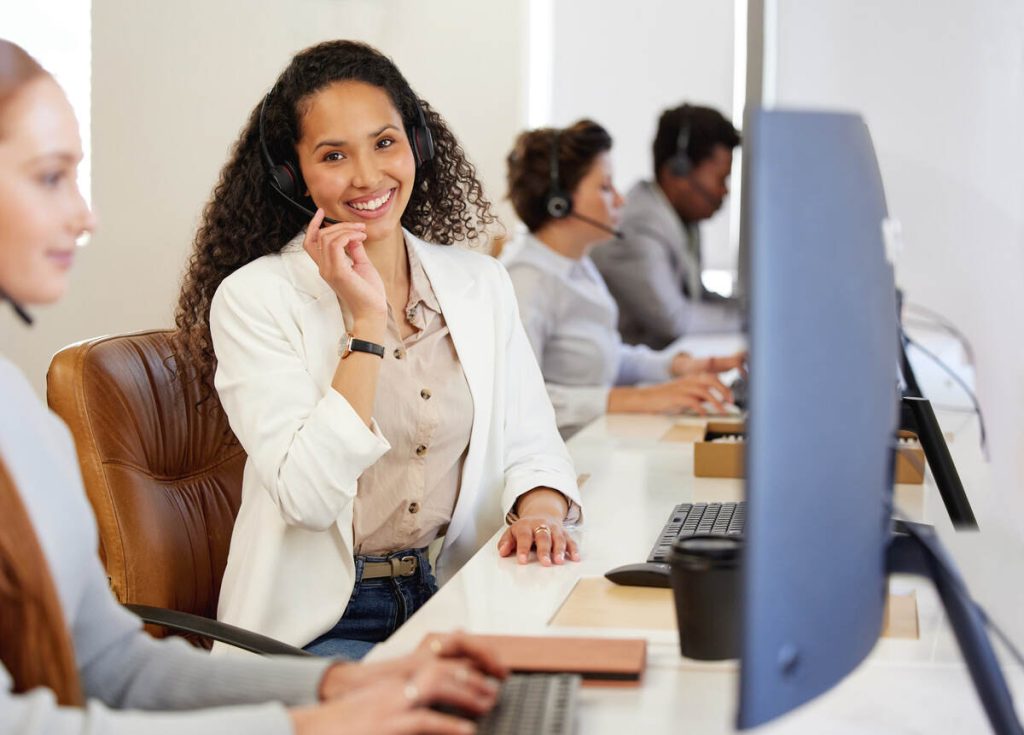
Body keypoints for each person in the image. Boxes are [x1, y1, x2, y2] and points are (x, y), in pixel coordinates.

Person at [0, 38, 507, 735]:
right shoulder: (258, 296)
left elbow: (117, 666)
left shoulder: (17, 413)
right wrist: (310, 726)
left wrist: (339, 683)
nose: (85, 216)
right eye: (51, 177)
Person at [174, 40, 583, 661]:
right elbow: (308, 499)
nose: (367, 177)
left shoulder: (479, 285)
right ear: (292, 174)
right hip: (321, 623)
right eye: (333, 155)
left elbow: (530, 440)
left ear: (416, 143)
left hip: (460, 593)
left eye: (384, 143)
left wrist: (541, 513)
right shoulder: (254, 298)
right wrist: (366, 323)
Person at [502, 120, 744, 438]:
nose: (621, 199)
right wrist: (639, 399)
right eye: (605, 187)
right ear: (559, 202)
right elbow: (514, 400)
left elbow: (604, 356)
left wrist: (675, 367)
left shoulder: (578, 266)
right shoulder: (526, 281)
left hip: (592, 440)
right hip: (552, 460)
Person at [590, 103, 742, 349]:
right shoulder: (637, 227)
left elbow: (696, 297)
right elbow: (675, 320)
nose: (724, 191)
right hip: (628, 378)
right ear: (677, 172)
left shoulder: (680, 219)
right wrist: (750, 320)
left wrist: (748, 308)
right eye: (720, 179)